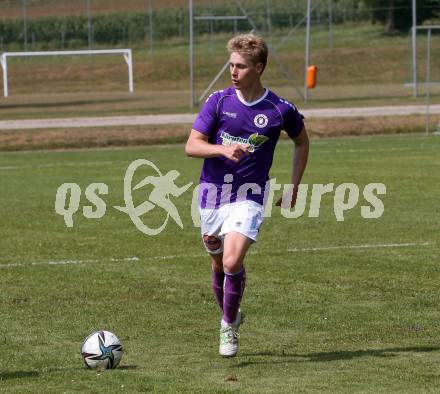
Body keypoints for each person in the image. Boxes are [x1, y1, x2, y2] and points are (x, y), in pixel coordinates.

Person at [185, 33, 309, 357]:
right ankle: (232, 313)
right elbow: (191, 145)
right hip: (212, 196)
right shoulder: (219, 102)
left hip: (250, 196)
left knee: (231, 259)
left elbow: (302, 142)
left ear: (259, 67)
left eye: (240, 66)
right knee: (216, 265)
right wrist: (223, 149)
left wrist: (294, 186)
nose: (233, 72)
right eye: (231, 65)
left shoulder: (280, 109)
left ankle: (227, 326)